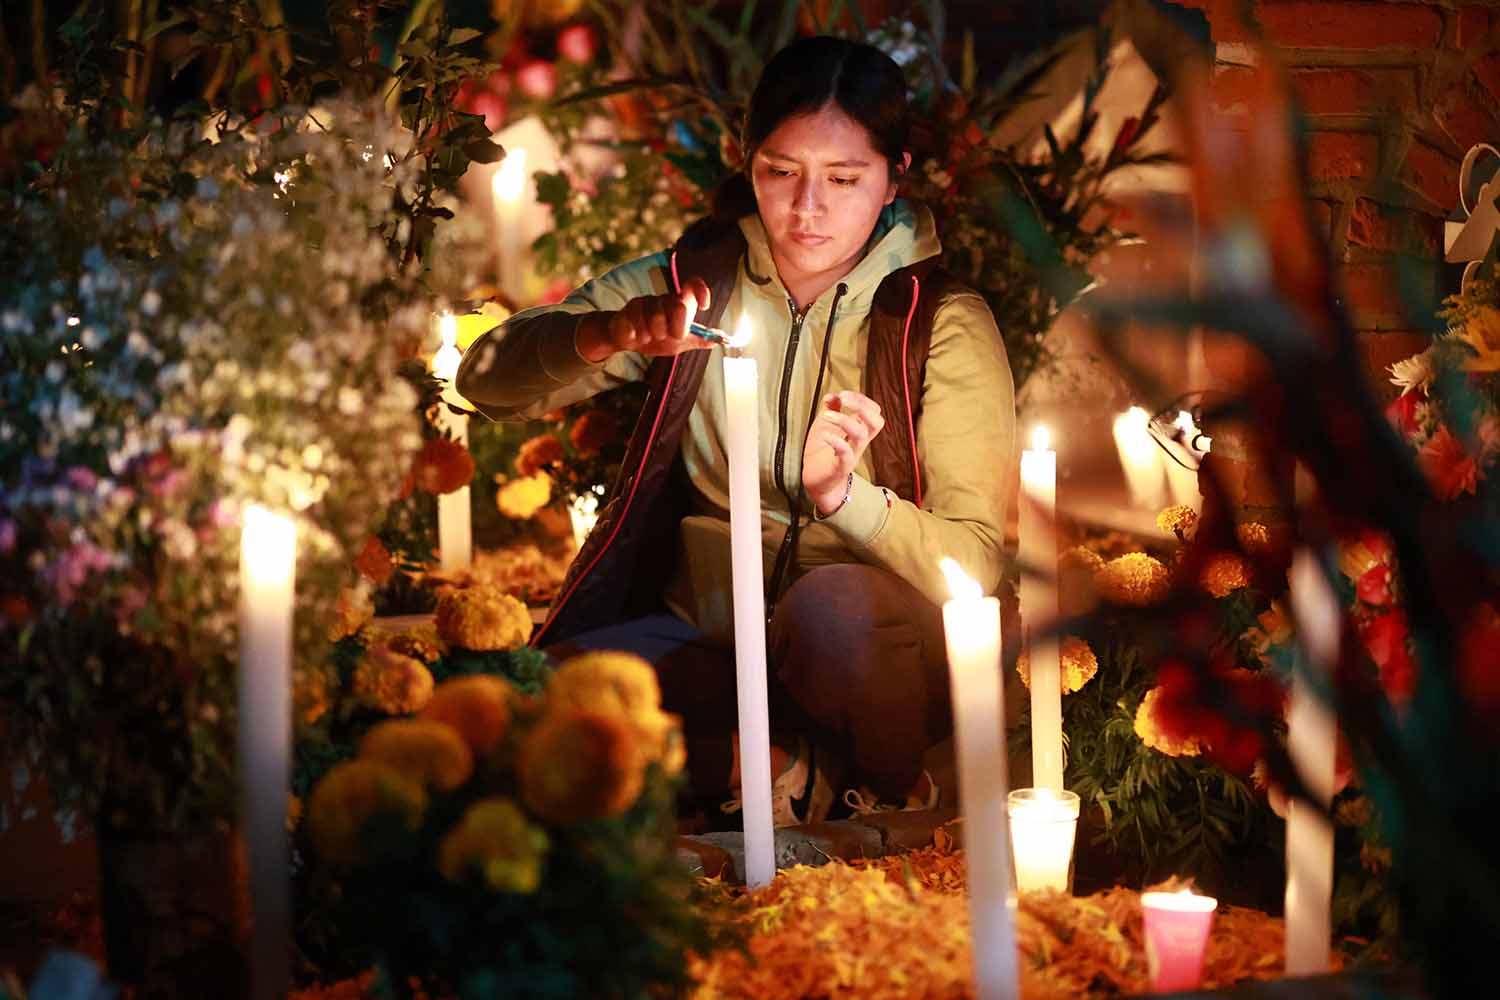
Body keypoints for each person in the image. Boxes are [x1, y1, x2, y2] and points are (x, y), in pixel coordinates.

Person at [457, 35, 1015, 825]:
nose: (807, 206)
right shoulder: (695, 288)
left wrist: (843, 497)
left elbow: (974, 559)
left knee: (831, 612)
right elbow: (484, 381)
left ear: (897, 177)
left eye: (844, 178)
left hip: (865, 658)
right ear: (742, 158)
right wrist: (610, 334)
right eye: (781, 172)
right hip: (709, 641)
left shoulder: (939, 323)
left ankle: (887, 787)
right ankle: (780, 771)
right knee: (534, 713)